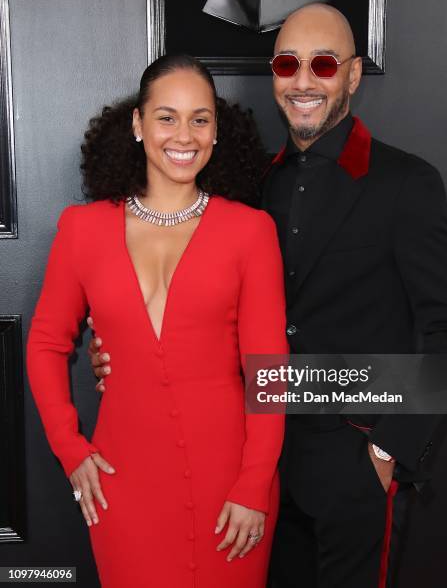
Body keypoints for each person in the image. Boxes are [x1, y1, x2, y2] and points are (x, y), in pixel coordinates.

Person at [89, 4, 447, 588]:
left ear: (351, 76)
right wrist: (116, 352)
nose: (302, 80)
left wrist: (386, 454)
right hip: (252, 467)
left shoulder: (407, 184)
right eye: (286, 63)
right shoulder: (251, 189)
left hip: (353, 459)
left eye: (323, 64)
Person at [26, 53, 288, 588]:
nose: (184, 135)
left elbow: (269, 372)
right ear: (137, 124)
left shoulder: (251, 232)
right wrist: (71, 449)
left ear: (217, 131)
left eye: (201, 118)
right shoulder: (82, 229)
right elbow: (46, 343)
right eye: (166, 116)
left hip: (231, 485)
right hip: (122, 484)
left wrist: (255, 484)